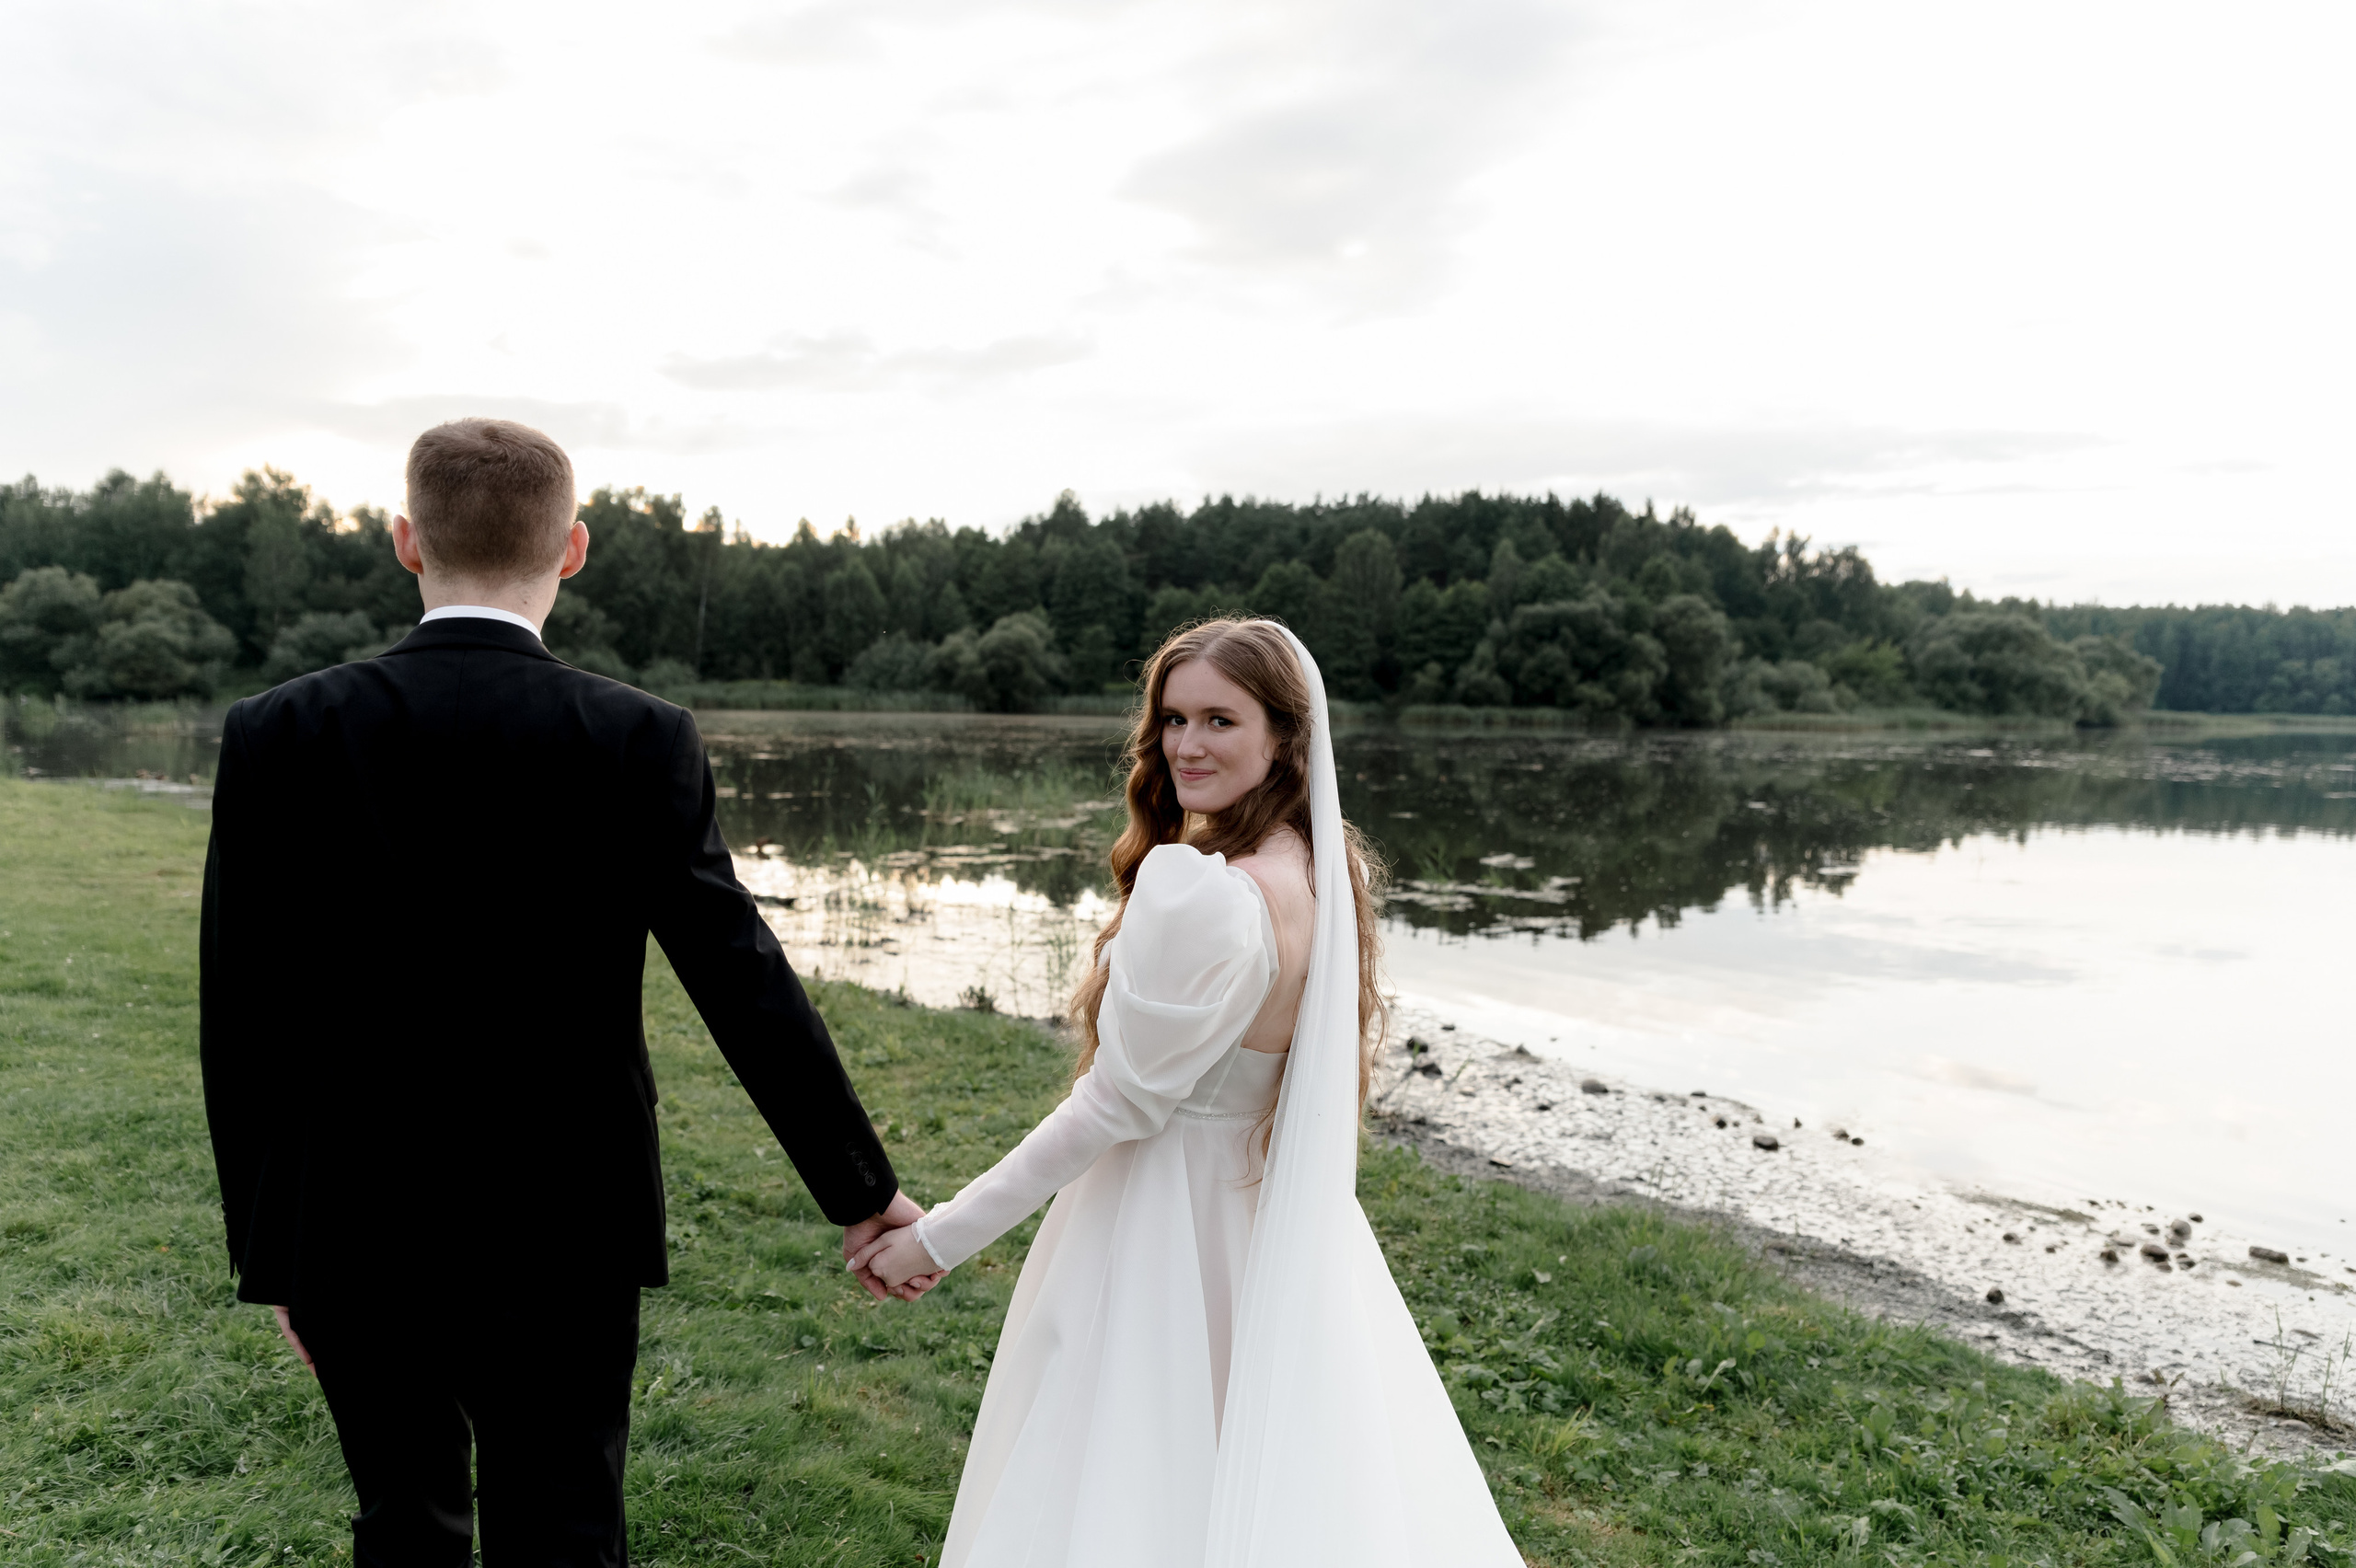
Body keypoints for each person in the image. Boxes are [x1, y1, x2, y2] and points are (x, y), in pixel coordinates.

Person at [198, 417, 930, 1568]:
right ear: (574, 550)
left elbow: (241, 1013)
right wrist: (859, 1188)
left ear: (404, 541)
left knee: (405, 1519)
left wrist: (272, 1251)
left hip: (347, 1214)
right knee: (566, 1525)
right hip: (567, 1215)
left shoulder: (279, 731)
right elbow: (739, 975)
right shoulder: (636, 735)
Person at [852, 617, 1521, 1567]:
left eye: (1219, 719)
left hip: (1156, 1220)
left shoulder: (1209, 893)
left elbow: (1112, 1106)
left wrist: (938, 1238)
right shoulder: (1315, 871)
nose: (1186, 745)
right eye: (1172, 719)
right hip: (1259, 1222)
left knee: (1125, 1478)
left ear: (1283, 737)